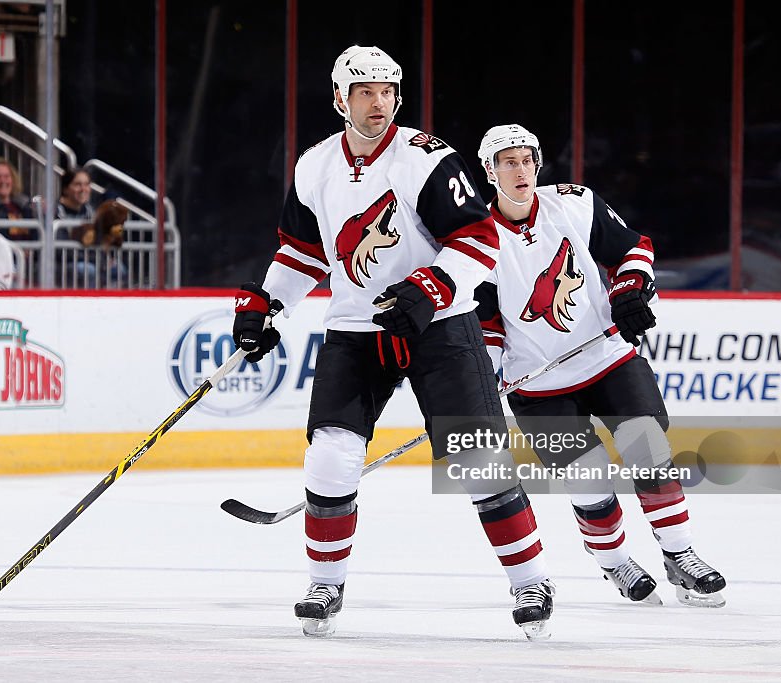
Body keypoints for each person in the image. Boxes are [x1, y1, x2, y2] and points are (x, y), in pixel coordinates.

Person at [231, 47, 555, 640]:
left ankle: (530, 579)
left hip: (442, 327)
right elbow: (302, 253)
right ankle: (324, 582)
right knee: (330, 453)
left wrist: (430, 286)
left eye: (387, 90)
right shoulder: (314, 166)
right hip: (356, 328)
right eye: (365, 91)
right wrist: (267, 302)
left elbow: (481, 238)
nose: (378, 102)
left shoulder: (426, 159)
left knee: (479, 460)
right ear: (339, 99)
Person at [473, 124, 726, 608]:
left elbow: (633, 248)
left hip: (606, 356)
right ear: (490, 171)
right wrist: (484, 378)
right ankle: (613, 561)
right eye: (508, 161)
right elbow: (486, 325)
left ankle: (680, 554)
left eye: (526, 159)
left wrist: (629, 288)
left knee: (647, 449)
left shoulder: (574, 202)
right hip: (539, 383)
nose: (520, 169)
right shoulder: (478, 241)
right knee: (587, 478)